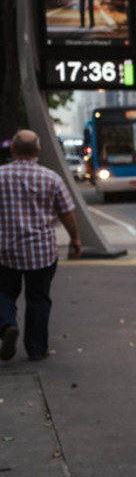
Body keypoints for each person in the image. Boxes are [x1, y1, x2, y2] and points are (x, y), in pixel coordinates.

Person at [0, 131, 83, 362]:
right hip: (41, 253)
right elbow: (67, 212)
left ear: (13, 150)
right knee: (38, 298)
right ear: (38, 151)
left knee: (4, 292)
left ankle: (7, 324)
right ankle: (37, 349)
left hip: (4, 251)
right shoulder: (51, 178)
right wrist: (75, 239)